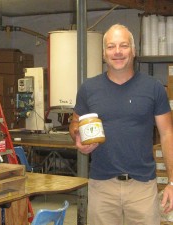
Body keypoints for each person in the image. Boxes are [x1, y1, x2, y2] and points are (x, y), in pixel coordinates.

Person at [69, 24, 173, 225]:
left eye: (123, 45)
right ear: (103, 53)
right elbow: (75, 123)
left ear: (134, 51)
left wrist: (172, 182)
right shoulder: (89, 89)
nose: (117, 52)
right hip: (102, 187)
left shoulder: (154, 88)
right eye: (111, 46)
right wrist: (77, 136)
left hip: (142, 187)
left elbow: (168, 134)